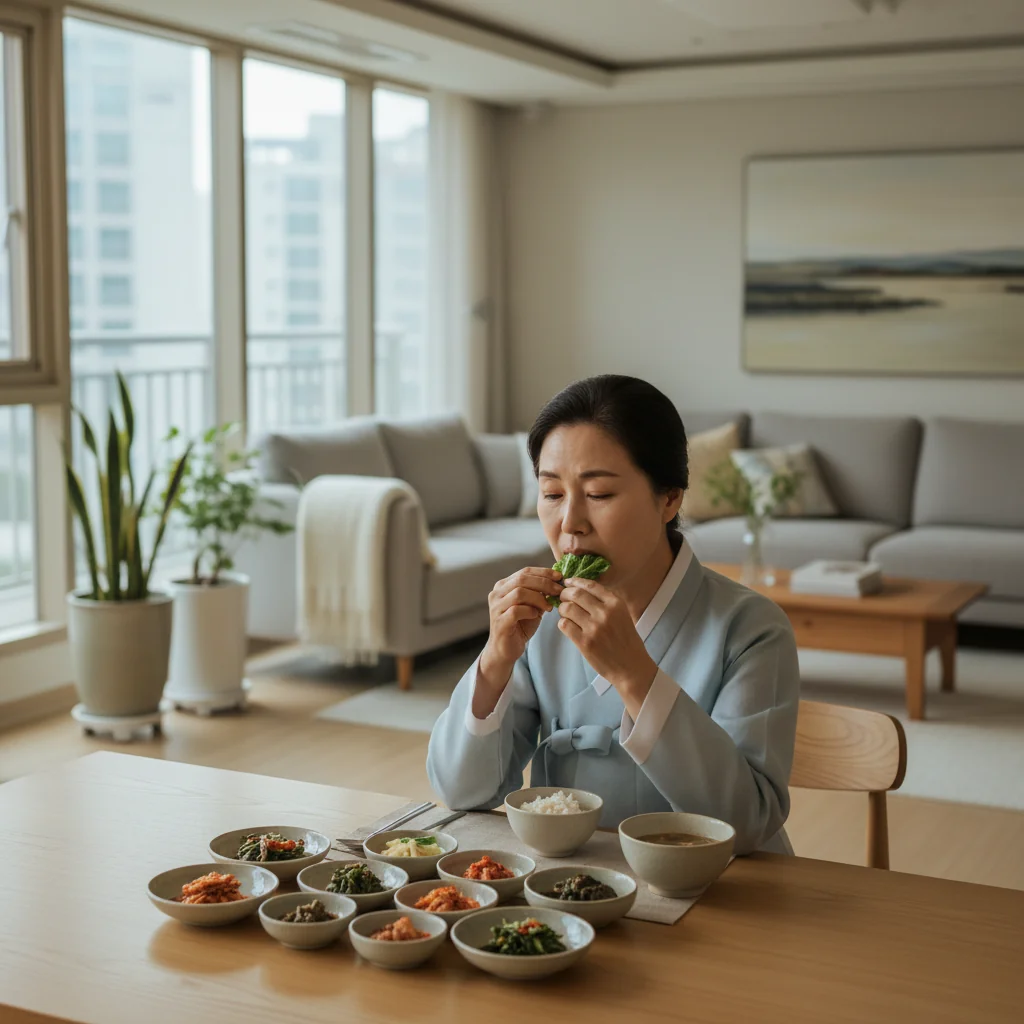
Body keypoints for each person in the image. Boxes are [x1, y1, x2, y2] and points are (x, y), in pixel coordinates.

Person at [426, 375, 800, 854]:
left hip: (723, 895)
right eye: (552, 494)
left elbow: (749, 823)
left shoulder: (751, 629)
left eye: (599, 494)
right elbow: (461, 792)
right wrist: (495, 661)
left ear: (669, 497)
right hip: (570, 890)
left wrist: (634, 674)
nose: (569, 524)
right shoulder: (538, 624)